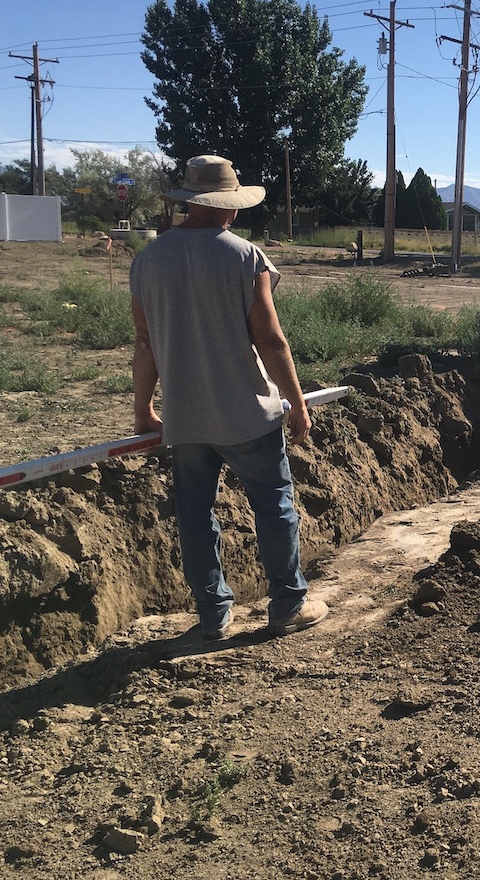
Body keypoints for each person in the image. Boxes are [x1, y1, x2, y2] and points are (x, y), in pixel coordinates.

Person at [130, 155, 328, 641]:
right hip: (248, 415)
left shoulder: (147, 260)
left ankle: (213, 615)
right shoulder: (245, 257)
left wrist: (144, 410)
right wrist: (297, 402)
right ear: (230, 205)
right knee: (274, 505)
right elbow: (271, 340)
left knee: (195, 516)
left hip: (186, 417)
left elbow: (145, 344)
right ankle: (288, 604)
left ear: (189, 200)